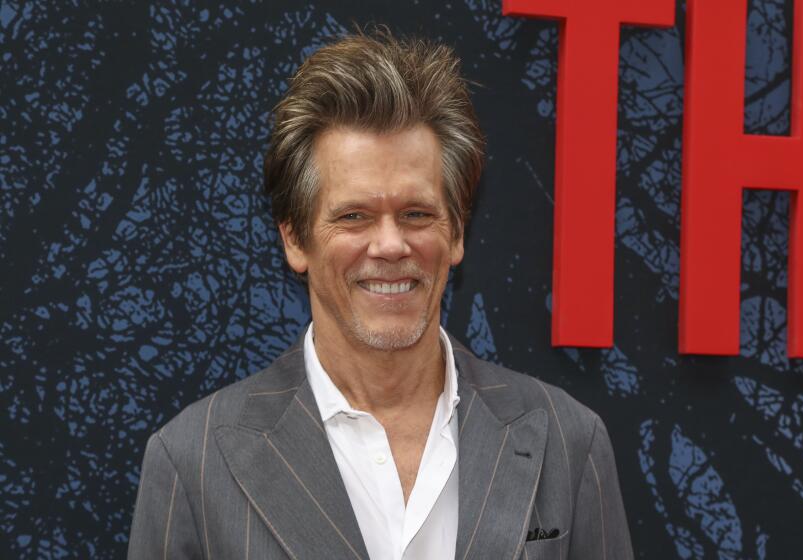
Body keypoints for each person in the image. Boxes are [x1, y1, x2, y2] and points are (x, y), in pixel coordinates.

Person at [128, 29, 633, 560]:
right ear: (295, 239)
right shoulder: (192, 460)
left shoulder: (568, 441)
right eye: (354, 216)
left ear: (457, 232)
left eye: (416, 214)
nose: (391, 245)